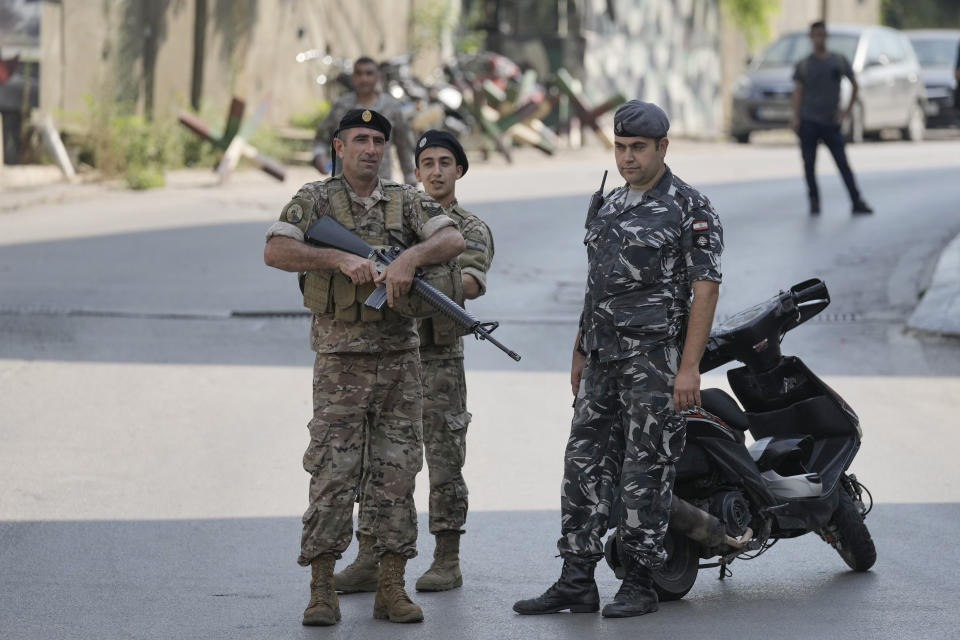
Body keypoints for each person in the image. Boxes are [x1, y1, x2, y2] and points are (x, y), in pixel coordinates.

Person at [512, 100, 723, 619]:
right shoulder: (609, 206)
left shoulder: (689, 208)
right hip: (604, 361)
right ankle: (576, 579)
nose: (628, 158)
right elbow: (596, 283)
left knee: (645, 470)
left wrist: (689, 367)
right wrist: (580, 347)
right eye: (621, 148)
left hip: (654, 362)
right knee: (582, 464)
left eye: (638, 149)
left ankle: (641, 580)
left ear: (662, 148)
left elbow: (705, 289)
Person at [264, 108, 465, 626]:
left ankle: (391, 587)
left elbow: (452, 239)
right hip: (340, 366)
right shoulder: (314, 200)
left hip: (401, 362)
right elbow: (276, 249)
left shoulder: (406, 200)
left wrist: (409, 260)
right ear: (338, 146)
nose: (370, 149)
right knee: (332, 475)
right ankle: (322, 589)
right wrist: (336, 260)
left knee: (397, 474)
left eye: (378, 140)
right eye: (360, 140)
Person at [332, 130, 494, 595]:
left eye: (446, 162)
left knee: (444, 460)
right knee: (377, 460)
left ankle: (447, 557)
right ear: (416, 172)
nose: (437, 171)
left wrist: (412, 269)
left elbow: (467, 286)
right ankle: (370, 555)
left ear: (459, 170)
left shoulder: (468, 229)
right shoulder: (396, 221)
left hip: (438, 357)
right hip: (388, 355)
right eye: (427, 163)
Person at [790, 20, 872, 216]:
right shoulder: (804, 65)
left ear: (826, 36)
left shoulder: (838, 61)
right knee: (809, 165)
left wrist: (846, 111)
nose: (819, 38)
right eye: (815, 35)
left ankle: (856, 200)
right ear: (811, 38)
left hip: (830, 122)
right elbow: (797, 92)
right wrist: (795, 117)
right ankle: (814, 202)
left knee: (843, 163)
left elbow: (854, 85)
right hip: (809, 121)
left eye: (822, 34)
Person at [312, 56, 418, 185]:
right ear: (353, 77)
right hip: (343, 189)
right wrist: (320, 157)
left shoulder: (391, 107)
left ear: (377, 76)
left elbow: (404, 147)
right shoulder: (341, 105)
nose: (364, 79)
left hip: (381, 189)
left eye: (369, 73)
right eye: (359, 73)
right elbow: (321, 139)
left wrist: (410, 178)